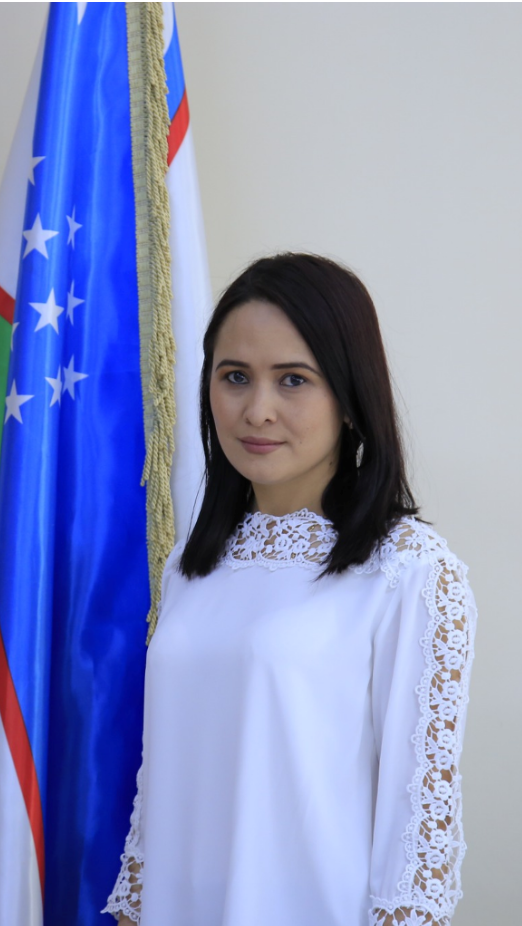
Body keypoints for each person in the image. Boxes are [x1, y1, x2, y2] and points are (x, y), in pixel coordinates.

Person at [102, 253, 477, 926]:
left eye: (293, 380)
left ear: (351, 398)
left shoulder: (408, 571)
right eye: (235, 377)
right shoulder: (190, 565)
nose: (257, 410)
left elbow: (416, 835)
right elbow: (160, 795)